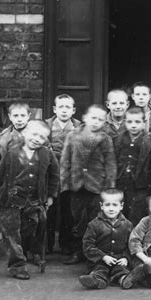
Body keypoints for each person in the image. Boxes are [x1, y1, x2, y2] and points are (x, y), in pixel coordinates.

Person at [0, 120, 59, 280]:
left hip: (34, 200)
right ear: (25, 132)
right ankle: (17, 265)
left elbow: (54, 176)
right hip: (11, 200)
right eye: (34, 134)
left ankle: (33, 253)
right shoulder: (11, 153)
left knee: (33, 228)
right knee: (12, 234)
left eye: (42, 137)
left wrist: (50, 195)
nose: (37, 139)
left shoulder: (47, 154)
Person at [60, 104, 117, 265]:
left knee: (94, 220)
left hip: (97, 186)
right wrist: (64, 184)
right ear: (85, 118)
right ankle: (77, 251)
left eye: (100, 119)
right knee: (77, 220)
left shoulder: (105, 139)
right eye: (93, 118)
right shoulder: (72, 136)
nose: (96, 122)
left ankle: (94, 255)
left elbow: (110, 164)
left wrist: (109, 188)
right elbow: (65, 161)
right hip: (77, 185)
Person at [45, 94, 81, 254]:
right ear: (55, 109)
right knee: (49, 210)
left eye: (68, 107)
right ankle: (46, 244)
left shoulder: (79, 127)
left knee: (68, 211)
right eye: (61, 107)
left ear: (73, 110)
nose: (64, 110)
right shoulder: (46, 126)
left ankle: (66, 244)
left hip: (70, 175)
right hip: (50, 175)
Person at [78, 189, 133, 289]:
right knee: (99, 270)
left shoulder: (127, 225)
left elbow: (131, 244)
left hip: (119, 259)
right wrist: (102, 257)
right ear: (101, 206)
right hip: (100, 260)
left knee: (121, 270)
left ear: (121, 206)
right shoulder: (94, 225)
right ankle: (98, 281)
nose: (111, 209)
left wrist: (126, 258)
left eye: (115, 205)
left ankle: (124, 280)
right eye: (107, 205)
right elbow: (88, 245)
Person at [114, 107, 151, 225]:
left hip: (140, 186)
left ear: (144, 123)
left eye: (137, 122)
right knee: (120, 215)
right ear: (125, 122)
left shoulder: (150, 142)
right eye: (130, 122)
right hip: (121, 183)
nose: (133, 125)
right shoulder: (118, 140)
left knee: (136, 215)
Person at [0, 101, 31, 173]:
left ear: (28, 116)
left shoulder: (36, 134)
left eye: (23, 115)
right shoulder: (4, 136)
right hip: (9, 176)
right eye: (15, 116)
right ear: (10, 117)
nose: (19, 119)